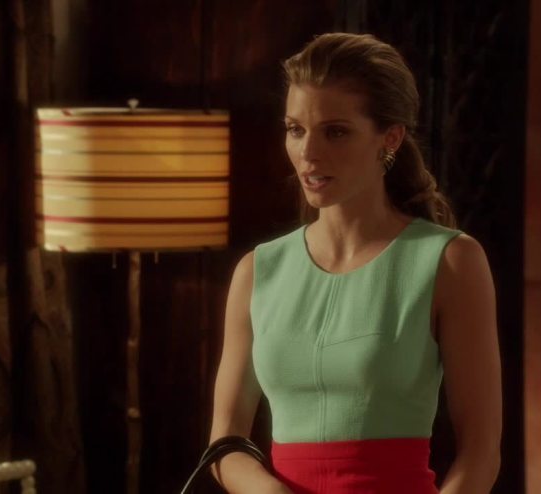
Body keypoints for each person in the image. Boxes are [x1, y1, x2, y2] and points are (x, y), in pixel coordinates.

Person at [208, 33, 502, 493]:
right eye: (295, 129)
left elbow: (481, 451)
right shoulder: (258, 271)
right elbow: (225, 444)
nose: (308, 153)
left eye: (336, 131)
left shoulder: (450, 262)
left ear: (390, 138)